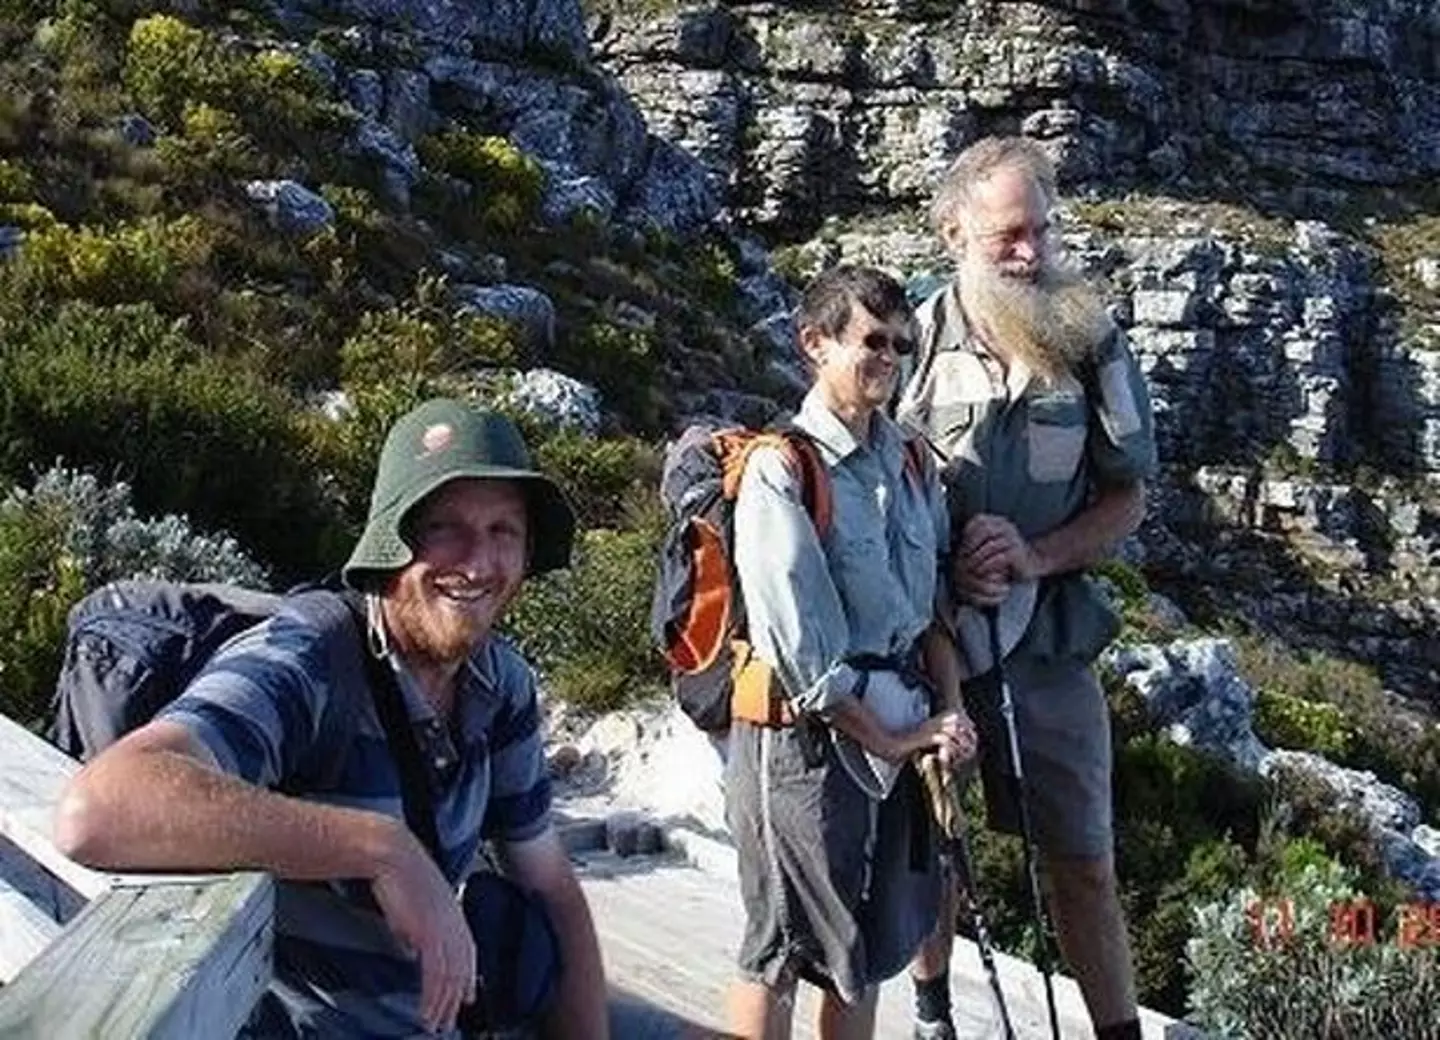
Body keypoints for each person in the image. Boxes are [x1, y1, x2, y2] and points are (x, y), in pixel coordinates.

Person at [54, 398, 610, 1039]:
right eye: (443, 528)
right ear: (391, 542)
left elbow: (548, 883)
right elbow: (98, 808)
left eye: (502, 531)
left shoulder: (498, 681)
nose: (478, 562)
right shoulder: (312, 662)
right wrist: (382, 849)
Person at [896, 136, 1158, 1040]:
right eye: (1009, 233)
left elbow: (1128, 496)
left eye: (1041, 230)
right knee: (930, 840)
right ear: (954, 230)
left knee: (1083, 858)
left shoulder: (1090, 341)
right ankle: (934, 1015)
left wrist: (1037, 555)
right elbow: (862, 489)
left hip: (1049, 644)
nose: (1030, 250)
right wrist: (945, 566)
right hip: (927, 643)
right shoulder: (907, 347)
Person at [724, 264, 978, 1040]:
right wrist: (897, 738)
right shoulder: (781, 469)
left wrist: (950, 712)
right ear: (815, 343)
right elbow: (806, 658)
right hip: (798, 745)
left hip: (895, 731)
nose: (889, 359)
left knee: (859, 951)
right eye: (871, 341)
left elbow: (929, 608)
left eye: (900, 345)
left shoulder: (908, 462)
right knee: (781, 947)